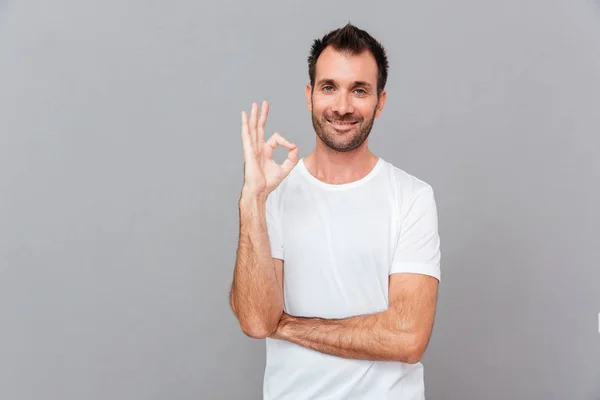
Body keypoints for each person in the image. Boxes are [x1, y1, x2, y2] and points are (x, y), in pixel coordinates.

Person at [229, 23, 441, 400]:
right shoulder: (275, 194)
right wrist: (252, 199)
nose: (343, 107)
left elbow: (408, 338)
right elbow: (258, 319)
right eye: (329, 87)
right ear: (310, 95)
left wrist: (290, 326)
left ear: (381, 100)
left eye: (359, 90)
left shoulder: (412, 197)